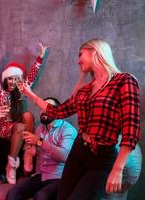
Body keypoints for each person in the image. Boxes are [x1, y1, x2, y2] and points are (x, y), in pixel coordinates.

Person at [20, 39, 141, 199]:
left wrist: (117, 169)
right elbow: (58, 112)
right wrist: (31, 94)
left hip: (102, 157)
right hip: (78, 151)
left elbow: (131, 128)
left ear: (95, 51)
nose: (78, 60)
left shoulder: (124, 81)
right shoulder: (85, 90)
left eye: (81, 54)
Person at [0, 39, 49, 184]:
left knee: (27, 115)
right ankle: (12, 165)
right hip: (3, 128)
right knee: (21, 125)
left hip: (18, 128)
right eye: (10, 79)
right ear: (6, 80)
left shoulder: (21, 91)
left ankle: (29, 150)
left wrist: (41, 56)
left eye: (16, 78)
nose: (13, 81)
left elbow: (31, 77)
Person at [6, 97, 77, 200]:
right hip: (40, 176)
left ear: (57, 111)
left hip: (58, 178)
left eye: (47, 108)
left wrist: (40, 142)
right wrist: (29, 154)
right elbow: (32, 151)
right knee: (13, 192)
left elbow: (64, 156)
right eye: (41, 108)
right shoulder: (39, 129)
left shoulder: (67, 130)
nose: (43, 111)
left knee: (40, 197)